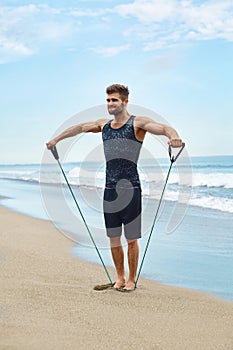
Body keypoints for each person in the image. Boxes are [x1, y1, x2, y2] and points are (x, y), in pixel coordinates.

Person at [46, 84, 183, 292]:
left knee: (131, 239)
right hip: (109, 189)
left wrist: (173, 136)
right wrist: (56, 139)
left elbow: (163, 128)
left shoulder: (138, 123)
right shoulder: (104, 125)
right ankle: (119, 278)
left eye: (114, 100)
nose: (110, 104)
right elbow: (80, 127)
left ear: (125, 102)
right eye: (108, 100)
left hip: (132, 190)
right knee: (113, 237)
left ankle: (131, 279)